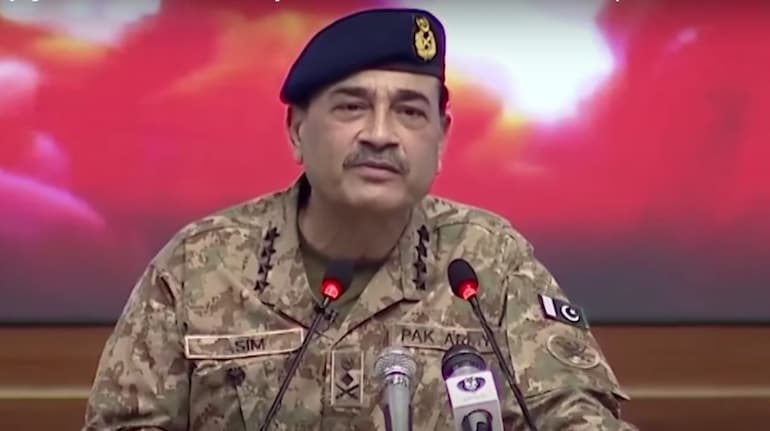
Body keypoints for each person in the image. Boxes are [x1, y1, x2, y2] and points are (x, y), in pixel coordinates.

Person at [83, 8, 637, 431]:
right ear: (297, 130)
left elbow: (577, 416)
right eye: (351, 107)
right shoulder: (200, 265)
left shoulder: (488, 262)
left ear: (441, 138)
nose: (380, 134)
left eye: (409, 111)